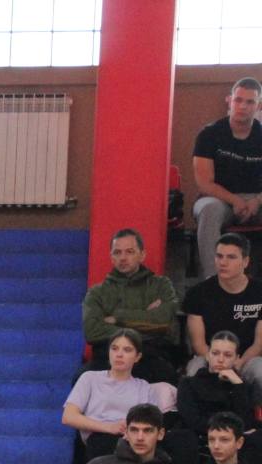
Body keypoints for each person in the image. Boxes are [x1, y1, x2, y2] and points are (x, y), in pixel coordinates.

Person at [81, 228, 180, 379]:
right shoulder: (97, 292)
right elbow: (92, 331)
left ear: (142, 255)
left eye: (129, 252)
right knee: (81, 377)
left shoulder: (161, 285)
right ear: (111, 257)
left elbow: (164, 322)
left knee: (168, 376)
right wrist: (145, 323)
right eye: (117, 252)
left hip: (149, 356)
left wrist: (118, 318)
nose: (123, 258)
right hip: (107, 357)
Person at [192, 77, 262, 280]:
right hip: (218, 200)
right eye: (238, 100)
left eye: (250, 102)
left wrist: (257, 201)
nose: (243, 106)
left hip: (256, 200)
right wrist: (235, 200)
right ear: (229, 101)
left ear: (258, 106)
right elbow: (204, 183)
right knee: (210, 210)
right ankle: (213, 282)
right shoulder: (209, 134)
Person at [182, 233, 262, 399]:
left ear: (245, 261)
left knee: (260, 371)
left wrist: (239, 362)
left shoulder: (259, 292)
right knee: (194, 370)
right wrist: (218, 361)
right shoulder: (197, 293)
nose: (223, 262)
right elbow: (198, 343)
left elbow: (259, 343)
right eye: (219, 256)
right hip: (209, 357)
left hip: (247, 358)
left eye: (231, 257)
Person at [63, 329, 157, 463]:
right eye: (114, 348)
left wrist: (130, 431)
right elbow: (69, 416)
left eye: (127, 350)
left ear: (137, 357)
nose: (119, 354)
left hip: (132, 439)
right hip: (99, 437)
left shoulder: (144, 387)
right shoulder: (90, 378)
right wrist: (109, 427)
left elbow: (151, 421)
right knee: (104, 443)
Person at [169, 332, 251, 464]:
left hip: (234, 440)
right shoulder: (188, 383)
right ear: (208, 355)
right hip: (198, 436)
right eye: (215, 353)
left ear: (237, 358)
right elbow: (191, 419)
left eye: (227, 355)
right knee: (182, 438)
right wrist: (223, 431)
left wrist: (238, 385)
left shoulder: (242, 386)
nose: (220, 359)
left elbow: (246, 420)